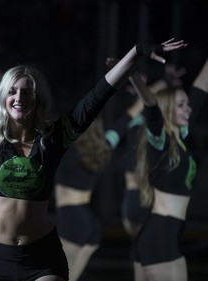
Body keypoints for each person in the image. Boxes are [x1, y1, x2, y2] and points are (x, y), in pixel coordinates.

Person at [0, 1, 186, 280]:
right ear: (4, 97)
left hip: (42, 256)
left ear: (37, 99)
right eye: (14, 91)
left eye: (27, 91)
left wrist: (136, 51)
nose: (19, 97)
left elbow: (99, 95)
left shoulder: (54, 138)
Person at [130, 57, 208, 281]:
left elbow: (201, 91)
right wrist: (132, 74)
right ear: (168, 111)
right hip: (161, 238)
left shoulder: (180, 138)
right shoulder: (161, 142)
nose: (189, 108)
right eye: (181, 105)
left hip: (156, 236)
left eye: (187, 103)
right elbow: (151, 107)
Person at [54, 87, 143, 281]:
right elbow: (128, 117)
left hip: (71, 221)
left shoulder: (64, 147)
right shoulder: (102, 146)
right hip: (89, 224)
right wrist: (149, 88)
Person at [120, 65, 186, 240]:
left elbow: (147, 102)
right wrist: (163, 82)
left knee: (142, 252)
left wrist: (160, 83)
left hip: (136, 198)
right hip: (148, 198)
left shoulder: (138, 124)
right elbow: (148, 102)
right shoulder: (150, 126)